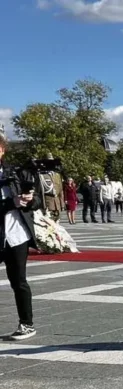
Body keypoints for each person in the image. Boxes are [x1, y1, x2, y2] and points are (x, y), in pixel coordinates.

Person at [0, 134, 41, 340]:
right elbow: (9, 204)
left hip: (16, 235)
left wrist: (29, 200)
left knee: (19, 281)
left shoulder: (15, 173)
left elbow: (37, 202)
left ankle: (26, 324)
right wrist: (11, 203)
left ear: (2, 150)